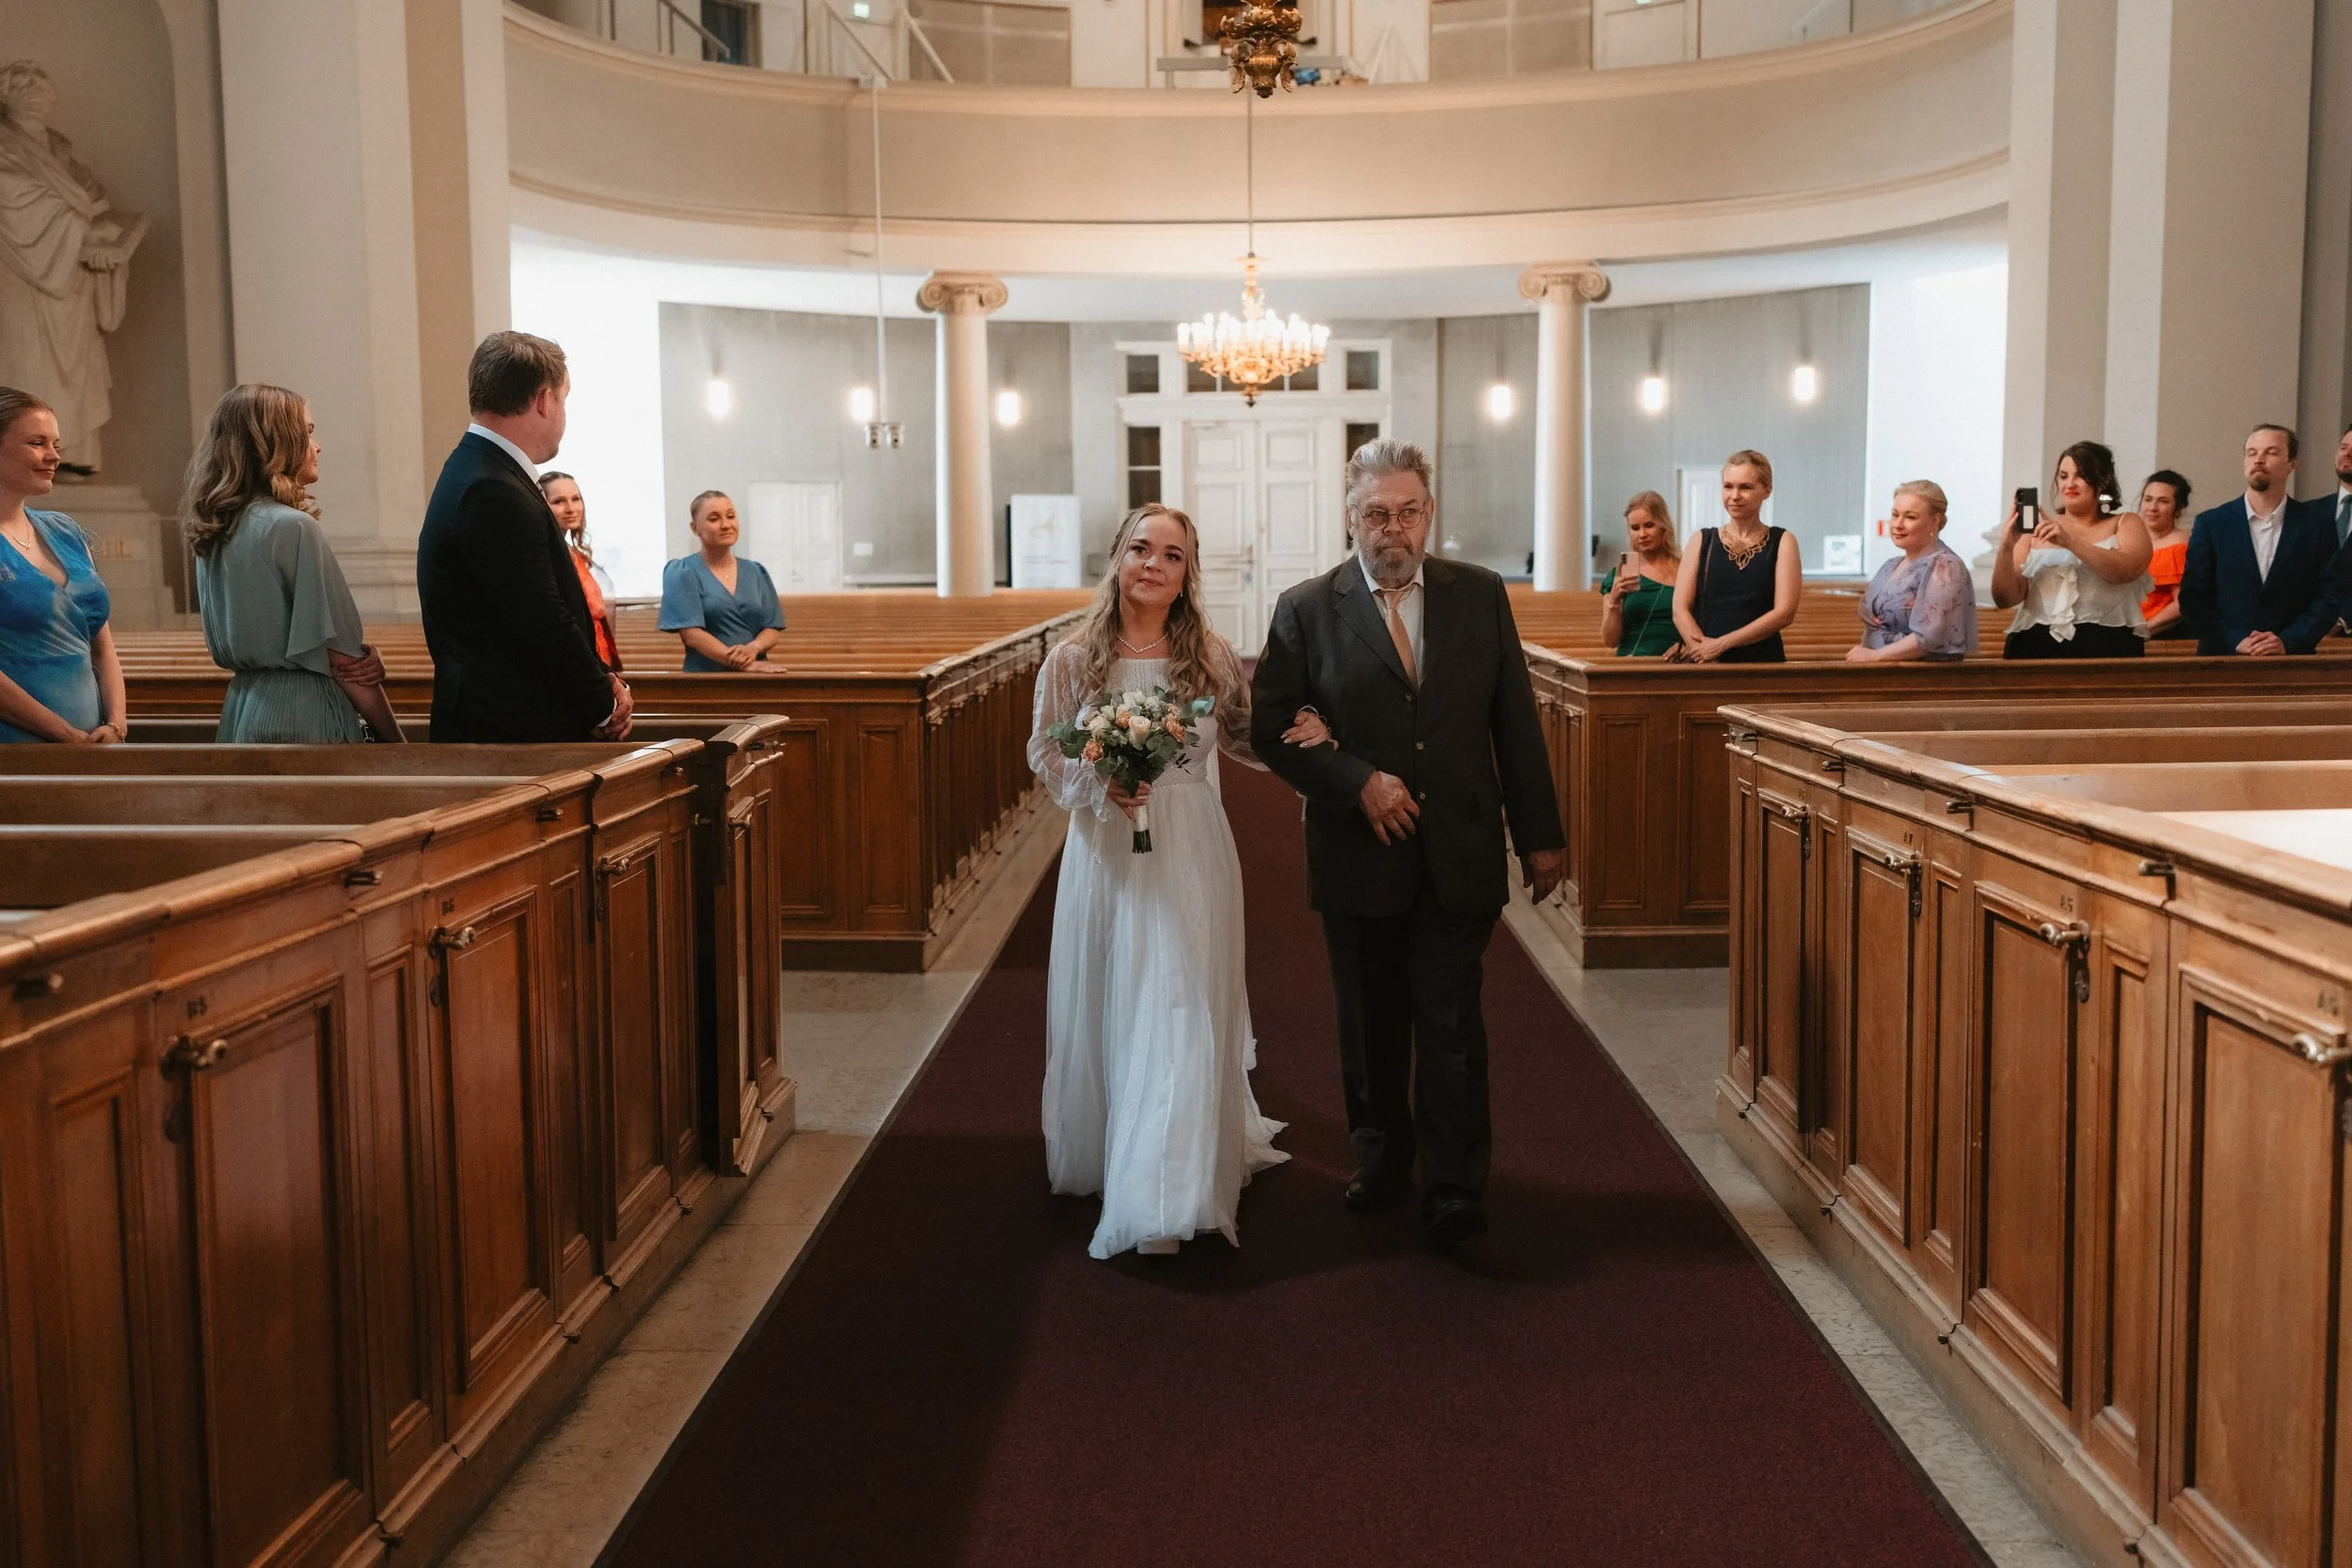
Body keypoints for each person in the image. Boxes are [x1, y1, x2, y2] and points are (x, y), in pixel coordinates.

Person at [1251, 438, 1566, 1245]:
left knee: (1453, 1020)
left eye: (1408, 511)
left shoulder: (1481, 595)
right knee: (1371, 1019)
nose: (1394, 528)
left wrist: (1540, 836)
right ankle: (1381, 1153)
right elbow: (1272, 727)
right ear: (1350, 518)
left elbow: (1515, 723)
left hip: (1457, 846)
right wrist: (1357, 778)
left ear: (1431, 515)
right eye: (1376, 513)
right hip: (1359, 851)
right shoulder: (1305, 607)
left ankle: (1457, 1182)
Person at [1028, 502, 1328, 1259]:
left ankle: (1171, 1180)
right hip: (1106, 849)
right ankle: (1117, 1150)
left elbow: (1243, 739)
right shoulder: (1072, 659)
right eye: (1141, 549)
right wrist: (1101, 784)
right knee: (1120, 993)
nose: (1154, 565)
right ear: (1118, 558)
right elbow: (1046, 753)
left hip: (1193, 845)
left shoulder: (1212, 656)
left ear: (1188, 572)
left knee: (1184, 996)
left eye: (1172, 554)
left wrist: (1309, 744)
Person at [417, 331, 631, 742]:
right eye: (564, 401)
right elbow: (539, 618)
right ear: (543, 400)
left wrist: (604, 680)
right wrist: (602, 704)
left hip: (507, 724)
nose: (563, 414)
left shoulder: (480, 468)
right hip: (511, 732)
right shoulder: (493, 488)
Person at [184, 384, 403, 743]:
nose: (317, 446)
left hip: (243, 708)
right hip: (303, 710)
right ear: (276, 441)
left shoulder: (215, 530)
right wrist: (398, 745)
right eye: (308, 432)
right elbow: (349, 665)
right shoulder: (294, 527)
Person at [0, 386, 123, 743]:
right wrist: (65, 735)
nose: (53, 457)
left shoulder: (65, 531)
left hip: (89, 745)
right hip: (15, 747)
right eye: (37, 443)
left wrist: (116, 725)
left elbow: (102, 647)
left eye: (56, 445)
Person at [2177, 423, 2350, 657]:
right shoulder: (2212, 523)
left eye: (2271, 452)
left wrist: (2288, 640)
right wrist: (2235, 639)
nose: (2259, 459)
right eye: (2252, 453)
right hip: (2221, 657)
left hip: (2291, 660)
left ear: (2292, 464)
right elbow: (2194, 598)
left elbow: (2328, 596)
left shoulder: (2316, 524)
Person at [1992, 441, 2153, 658]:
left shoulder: (2126, 522)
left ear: (2103, 480)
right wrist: (2006, 545)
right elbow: (2005, 599)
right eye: (2063, 476)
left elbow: (2124, 571)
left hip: (2109, 642)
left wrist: (2070, 542)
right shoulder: (2036, 530)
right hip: (2036, 643)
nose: (2070, 484)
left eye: (2081, 475)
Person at [1670, 450, 1801, 663]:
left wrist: (1722, 644)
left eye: (1745, 487)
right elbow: (1679, 608)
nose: (1735, 496)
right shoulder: (1701, 540)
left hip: (1761, 660)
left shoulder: (1783, 541)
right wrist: (1702, 651)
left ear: (1767, 490)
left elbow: (1785, 612)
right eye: (1728, 486)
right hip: (1705, 661)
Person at [1845, 481, 1977, 662]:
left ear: (1935, 521)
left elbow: (1930, 636)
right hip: (1880, 671)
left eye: (1910, 517)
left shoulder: (1945, 566)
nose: (1898, 524)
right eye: (1895, 515)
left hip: (1919, 676)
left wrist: (1875, 656)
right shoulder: (1890, 565)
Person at [659, 491, 786, 672]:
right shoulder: (682, 571)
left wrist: (753, 648)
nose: (726, 525)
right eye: (714, 519)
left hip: (758, 674)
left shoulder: (756, 571)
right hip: (707, 679)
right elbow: (691, 635)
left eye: (731, 516)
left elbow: (772, 627)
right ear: (695, 528)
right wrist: (743, 664)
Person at [540, 471, 622, 673]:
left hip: (599, 652)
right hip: (572, 658)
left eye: (576, 499)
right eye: (559, 501)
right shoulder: (543, 556)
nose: (571, 508)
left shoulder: (576, 554)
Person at [1598, 491, 1682, 657]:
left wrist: (1686, 645)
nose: (1642, 534)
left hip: (1678, 663)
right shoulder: (1619, 573)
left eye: (1649, 525)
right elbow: (1610, 641)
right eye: (1635, 528)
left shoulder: (1685, 567)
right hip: (1631, 663)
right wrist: (1614, 600)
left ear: (1663, 525)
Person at [2137, 470, 2193, 638]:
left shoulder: (2179, 545)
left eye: (2163, 501)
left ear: (2179, 510)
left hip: (2160, 636)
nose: (2152, 508)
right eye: (2148, 499)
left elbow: (2182, 604)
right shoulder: (2129, 539)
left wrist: (2142, 631)